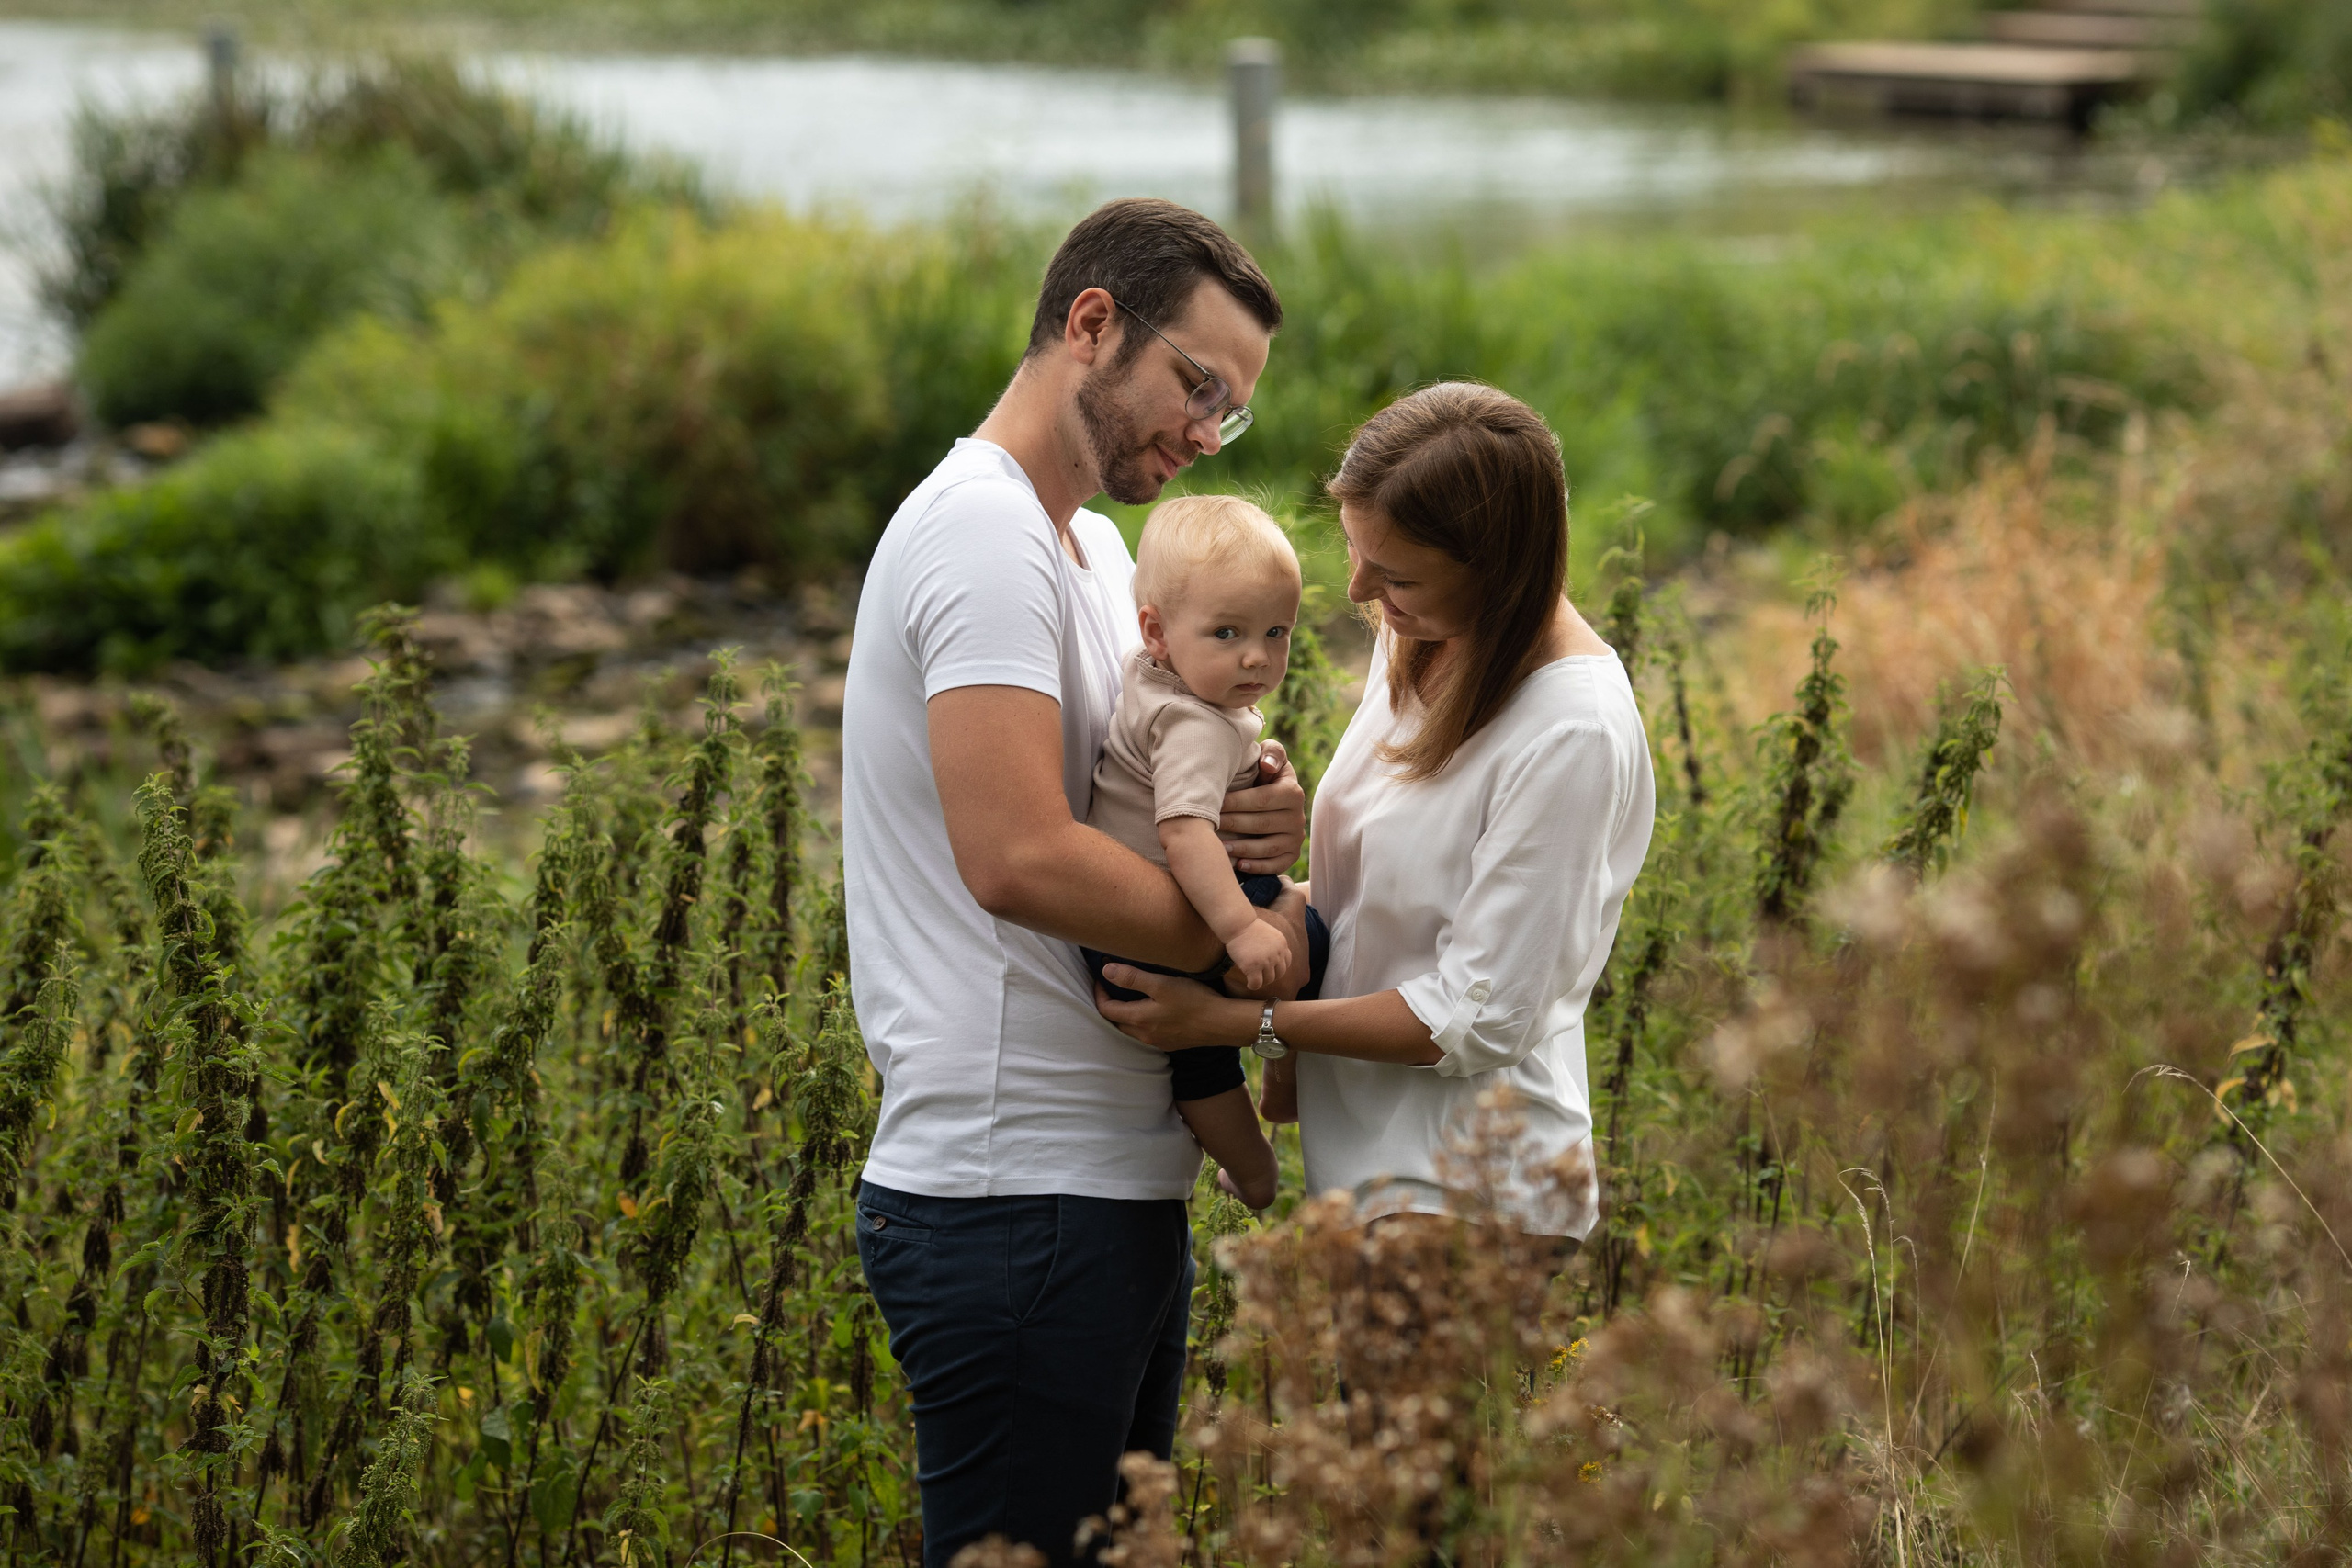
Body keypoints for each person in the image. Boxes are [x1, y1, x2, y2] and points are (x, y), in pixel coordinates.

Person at [841, 198, 1311, 1568]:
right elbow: (1020, 855)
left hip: (1102, 1184)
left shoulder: (1102, 554)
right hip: (1013, 1192)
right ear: (1091, 323)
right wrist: (1252, 945)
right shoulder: (980, 530)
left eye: (1234, 412)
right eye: (1197, 386)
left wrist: (1257, 810)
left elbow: (1142, 789)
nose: (1207, 434)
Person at [1098, 380, 1656, 1251]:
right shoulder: (1426, 631)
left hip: (1466, 1188)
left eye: (1393, 573)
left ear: (1496, 568)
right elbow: (1410, 893)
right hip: (1365, 1166)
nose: (1358, 587)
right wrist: (1282, 872)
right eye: (1357, 551)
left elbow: (1477, 1014)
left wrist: (1233, 1025)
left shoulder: (1569, 730)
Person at [1078, 494, 1333, 1213]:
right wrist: (1243, 928)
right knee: (1314, 934)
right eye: (1227, 632)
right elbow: (1184, 832)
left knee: (1199, 1061)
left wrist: (1258, 756)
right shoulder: (1194, 722)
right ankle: (1272, 1112)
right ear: (1157, 631)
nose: (1257, 656)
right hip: (1173, 918)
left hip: (1124, 934)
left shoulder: (1153, 675)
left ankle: (1257, 1154)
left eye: (1276, 631)